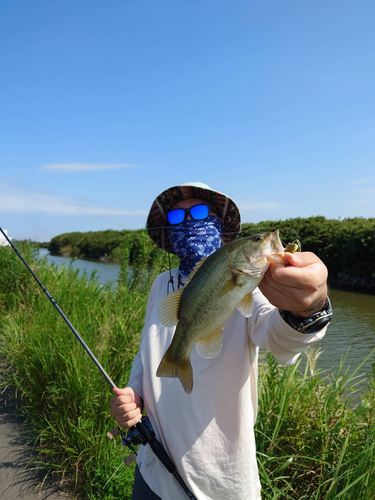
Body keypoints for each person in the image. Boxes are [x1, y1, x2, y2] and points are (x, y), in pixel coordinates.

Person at [110, 182, 331, 500]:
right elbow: (147, 352)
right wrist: (135, 392)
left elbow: (280, 339)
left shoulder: (254, 287)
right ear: (168, 234)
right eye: (176, 218)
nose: (189, 222)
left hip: (221, 485)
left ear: (223, 230)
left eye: (200, 212)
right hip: (153, 469)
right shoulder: (162, 283)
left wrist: (308, 308)